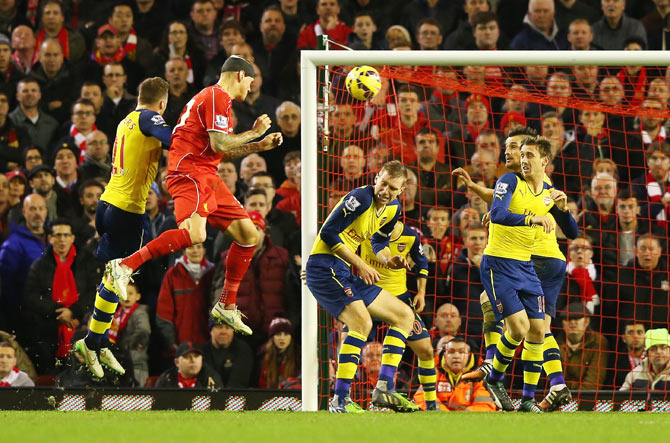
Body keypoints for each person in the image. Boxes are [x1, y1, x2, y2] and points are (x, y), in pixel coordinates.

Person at [108, 56, 282, 337]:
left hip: (207, 174)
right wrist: (253, 132)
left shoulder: (215, 100)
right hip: (190, 173)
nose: (250, 89)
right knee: (195, 234)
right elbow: (220, 142)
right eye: (250, 82)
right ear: (240, 75)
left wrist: (259, 145)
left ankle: (226, 304)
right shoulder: (216, 96)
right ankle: (125, 264)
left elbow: (218, 150)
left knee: (249, 235)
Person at [455, 127, 578, 411]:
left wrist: (563, 209)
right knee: (532, 328)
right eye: (513, 151)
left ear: (542, 159)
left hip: (535, 260)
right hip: (517, 261)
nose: (514, 155)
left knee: (529, 326)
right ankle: (545, 386)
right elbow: (501, 205)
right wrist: (496, 206)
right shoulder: (511, 181)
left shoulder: (545, 190)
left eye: (521, 150)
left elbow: (569, 229)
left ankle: (496, 368)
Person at [72, 77, 173, 379]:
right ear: (162, 104)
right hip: (128, 211)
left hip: (107, 205)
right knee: (120, 277)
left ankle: (100, 342)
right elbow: (168, 137)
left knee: (114, 277)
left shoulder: (126, 120)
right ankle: (91, 343)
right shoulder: (149, 117)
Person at [305, 160, 419, 413]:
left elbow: (379, 240)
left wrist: (389, 259)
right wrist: (362, 264)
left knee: (404, 315)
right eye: (384, 183)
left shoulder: (392, 209)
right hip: (325, 267)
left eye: (392, 188)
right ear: (377, 177)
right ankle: (340, 399)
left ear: (401, 191)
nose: (385, 190)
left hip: (343, 271)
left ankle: (383, 388)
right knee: (362, 323)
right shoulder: (361, 197)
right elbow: (328, 234)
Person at [359, 219, 436, 408]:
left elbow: (422, 263)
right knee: (347, 340)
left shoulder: (410, 236)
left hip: (399, 300)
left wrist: (421, 293)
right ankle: (342, 397)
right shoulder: (364, 230)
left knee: (426, 350)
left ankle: (432, 406)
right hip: (369, 296)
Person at [22, 219, 100, 373]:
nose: (62, 240)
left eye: (66, 235)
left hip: (81, 325)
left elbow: (95, 290)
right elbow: (31, 296)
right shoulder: (39, 265)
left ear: (72, 238)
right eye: (57, 235)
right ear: (50, 238)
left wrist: (74, 311)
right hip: (49, 330)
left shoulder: (87, 262)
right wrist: (58, 311)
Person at [413, 337, 495, 411]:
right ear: (444, 355)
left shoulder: (481, 375)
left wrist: (464, 417)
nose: (456, 356)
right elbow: (421, 397)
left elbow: (485, 404)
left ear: (470, 355)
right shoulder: (433, 372)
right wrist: (441, 412)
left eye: (461, 352)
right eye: (451, 352)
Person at [557, 302, 610, 390]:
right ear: (562, 323)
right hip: (560, 399)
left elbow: (594, 380)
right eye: (568, 319)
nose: (573, 322)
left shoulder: (598, 342)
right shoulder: (554, 344)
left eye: (578, 318)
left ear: (587, 321)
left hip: (587, 399)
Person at [202, 321, 254, 388]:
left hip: (236, 396)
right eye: (219, 327)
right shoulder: (202, 352)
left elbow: (238, 383)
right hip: (210, 395)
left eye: (228, 327)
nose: (223, 332)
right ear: (210, 331)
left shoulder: (243, 350)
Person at [155, 341, 222, 389]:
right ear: (177, 362)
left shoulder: (211, 378)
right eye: (187, 357)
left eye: (196, 356)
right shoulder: (166, 378)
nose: (193, 360)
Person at [258, 317, 300, 389]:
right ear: (272, 337)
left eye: (286, 334)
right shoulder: (263, 356)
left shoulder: (299, 356)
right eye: (278, 334)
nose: (282, 338)